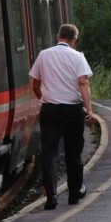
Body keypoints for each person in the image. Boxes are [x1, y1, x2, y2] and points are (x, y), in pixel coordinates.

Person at [29, 23, 95, 210]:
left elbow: (34, 84)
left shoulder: (44, 55)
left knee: (49, 152)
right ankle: (75, 193)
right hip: (72, 111)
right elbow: (83, 83)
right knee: (73, 152)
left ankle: (51, 196)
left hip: (50, 110)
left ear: (58, 36)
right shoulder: (77, 56)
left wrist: (45, 98)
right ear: (74, 40)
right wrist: (89, 111)